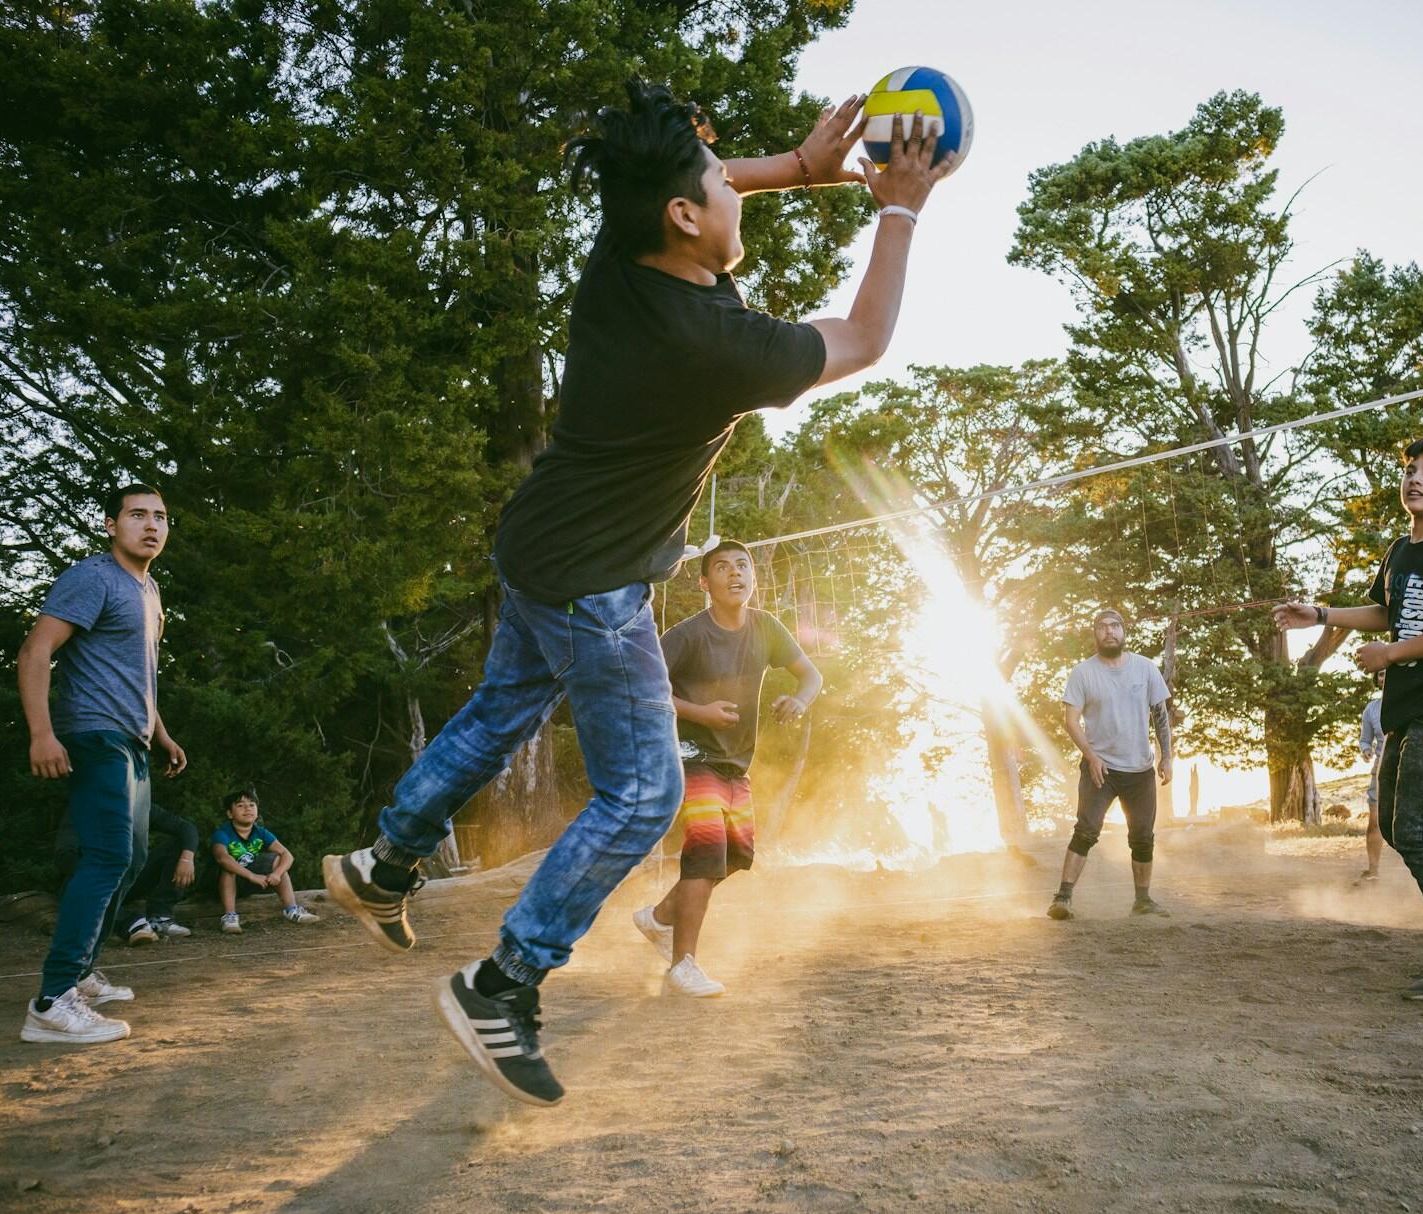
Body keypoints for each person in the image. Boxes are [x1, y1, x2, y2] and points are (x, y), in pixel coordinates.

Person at [322, 81, 955, 1106]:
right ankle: (502, 980)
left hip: (534, 546)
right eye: (722, 182)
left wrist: (795, 170)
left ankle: (385, 861)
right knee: (645, 794)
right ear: (685, 216)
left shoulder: (619, 260)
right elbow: (866, 335)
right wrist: (900, 207)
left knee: (500, 709)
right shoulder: (715, 346)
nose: (733, 187)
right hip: (593, 584)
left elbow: (676, 194)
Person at [1273, 435, 1423, 1001]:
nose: (1415, 479)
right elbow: (1386, 612)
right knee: (1394, 823)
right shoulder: (1400, 551)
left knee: (1417, 831)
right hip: (1407, 708)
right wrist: (1320, 614)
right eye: (1410, 470)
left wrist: (1391, 655)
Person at [17, 483, 188, 1045]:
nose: (151, 525)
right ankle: (51, 1000)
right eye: (137, 515)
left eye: (160, 517)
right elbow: (36, 650)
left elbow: (138, 676)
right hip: (94, 734)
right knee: (108, 855)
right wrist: (42, 733)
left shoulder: (150, 588)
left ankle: (82, 975)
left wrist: (160, 734)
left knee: (132, 856)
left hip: (133, 739)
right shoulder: (93, 577)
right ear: (111, 525)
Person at [631, 540, 821, 997]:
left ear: (753, 578)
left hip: (735, 764)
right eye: (722, 568)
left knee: (734, 856)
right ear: (704, 583)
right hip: (689, 756)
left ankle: (659, 918)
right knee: (705, 851)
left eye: (743, 566)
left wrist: (798, 699)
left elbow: (811, 675)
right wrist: (701, 713)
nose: (735, 574)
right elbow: (641, 688)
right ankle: (682, 967)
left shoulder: (766, 627)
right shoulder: (688, 635)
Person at [1047, 609, 1174, 920]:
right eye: (1102, 627)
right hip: (1099, 769)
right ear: (1095, 634)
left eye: (1115, 626)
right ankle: (1062, 898)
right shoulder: (1083, 673)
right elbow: (1071, 721)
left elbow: (1161, 716)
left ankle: (1142, 901)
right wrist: (1091, 756)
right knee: (1086, 830)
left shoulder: (1145, 669)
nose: (1109, 631)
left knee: (1143, 835)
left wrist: (1166, 757)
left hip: (1139, 769)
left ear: (1124, 632)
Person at [54, 801, 199, 944]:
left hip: (130, 879)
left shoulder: (135, 805)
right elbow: (64, 856)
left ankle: (160, 917)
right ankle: (132, 924)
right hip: (95, 883)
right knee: (74, 888)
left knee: (180, 844)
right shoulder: (83, 807)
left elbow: (185, 827)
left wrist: (187, 858)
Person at [211, 787, 318, 932]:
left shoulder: (260, 832)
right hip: (218, 884)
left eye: (251, 805)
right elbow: (222, 858)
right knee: (229, 866)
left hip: (247, 882)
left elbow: (287, 855)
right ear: (230, 813)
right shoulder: (223, 832)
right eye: (240, 806)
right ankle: (230, 916)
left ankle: (291, 910)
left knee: (278, 861)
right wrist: (252, 876)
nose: (247, 809)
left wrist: (277, 874)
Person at [1355, 672, 1384, 886]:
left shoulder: (1412, 702)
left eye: (1388, 674)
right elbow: (1365, 739)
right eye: (1381, 674)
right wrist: (1366, 750)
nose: (1385, 678)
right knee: (1374, 821)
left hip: (1410, 767)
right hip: (1381, 769)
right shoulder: (1372, 708)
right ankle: (1373, 870)